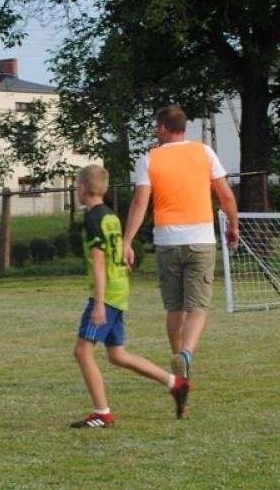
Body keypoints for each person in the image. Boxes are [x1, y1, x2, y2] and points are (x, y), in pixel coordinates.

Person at [120, 104, 239, 381]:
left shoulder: (149, 159)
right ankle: (185, 354)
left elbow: (140, 202)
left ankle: (179, 370)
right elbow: (226, 195)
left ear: (162, 128)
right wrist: (233, 225)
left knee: (174, 308)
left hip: (167, 241)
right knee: (198, 307)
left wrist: (128, 241)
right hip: (201, 239)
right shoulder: (204, 152)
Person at [70, 164, 190, 427]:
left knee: (82, 352)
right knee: (117, 354)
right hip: (119, 289)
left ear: (81, 188)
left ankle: (102, 413)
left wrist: (99, 304)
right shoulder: (111, 216)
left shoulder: (92, 220)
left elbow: (100, 263)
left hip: (107, 294)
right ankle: (175, 384)